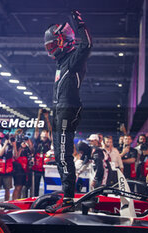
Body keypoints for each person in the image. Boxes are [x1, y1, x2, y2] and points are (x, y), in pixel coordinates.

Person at [44, 10, 92, 209]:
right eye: (49, 46)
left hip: (68, 109)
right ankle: (67, 195)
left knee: (64, 155)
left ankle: (69, 200)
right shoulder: (61, 62)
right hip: (58, 110)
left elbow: (87, 44)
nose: (51, 49)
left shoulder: (74, 58)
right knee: (59, 155)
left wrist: (79, 23)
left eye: (53, 44)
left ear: (64, 41)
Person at [0, 133, 17, 203]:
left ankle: (6, 204)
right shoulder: (0, 143)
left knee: (7, 189)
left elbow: (15, 156)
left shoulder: (11, 145)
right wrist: (5, 144)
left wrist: (14, 145)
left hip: (8, 170)